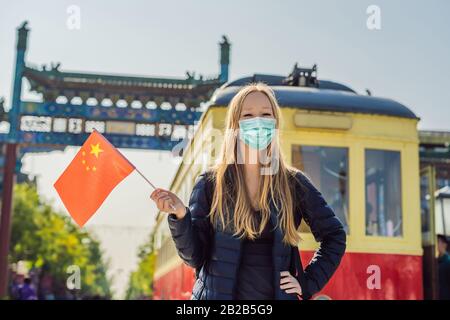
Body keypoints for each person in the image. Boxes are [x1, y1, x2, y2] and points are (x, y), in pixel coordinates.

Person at [150, 82, 346, 300]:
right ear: (235, 125)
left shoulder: (293, 184)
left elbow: (335, 236)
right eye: (248, 115)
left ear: (275, 123)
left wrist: (306, 283)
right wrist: (180, 216)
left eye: (265, 114)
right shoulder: (210, 183)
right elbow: (194, 258)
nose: (258, 121)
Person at [437, 234, 450, 300]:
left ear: (444, 244)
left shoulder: (448, 261)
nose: (437, 244)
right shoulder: (438, 260)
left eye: (438, 241)